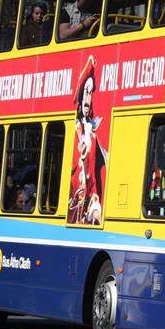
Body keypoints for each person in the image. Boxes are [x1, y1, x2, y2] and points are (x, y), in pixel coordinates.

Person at [68, 55, 107, 225]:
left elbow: (94, 184)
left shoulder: (92, 137)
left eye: (91, 93)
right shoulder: (71, 132)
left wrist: (95, 205)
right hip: (71, 208)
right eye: (86, 91)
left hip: (84, 216)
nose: (88, 98)